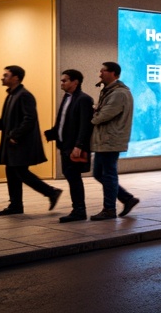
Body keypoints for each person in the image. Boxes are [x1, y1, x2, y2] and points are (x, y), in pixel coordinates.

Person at [0, 65, 61, 216]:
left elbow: (29, 119)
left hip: (19, 142)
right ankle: (16, 205)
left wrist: (15, 135)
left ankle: (51, 192)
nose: (2, 77)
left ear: (16, 78)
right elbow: (8, 120)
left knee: (20, 172)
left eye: (6, 75)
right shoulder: (12, 95)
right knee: (12, 172)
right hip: (13, 142)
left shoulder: (24, 95)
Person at [90, 62, 139, 219]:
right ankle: (127, 199)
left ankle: (109, 209)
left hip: (111, 139)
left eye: (103, 71)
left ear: (113, 73)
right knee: (99, 173)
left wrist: (93, 115)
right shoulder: (110, 91)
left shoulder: (118, 93)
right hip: (104, 139)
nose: (100, 74)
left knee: (108, 173)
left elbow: (104, 115)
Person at [45, 69, 93, 222]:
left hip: (74, 148)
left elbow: (85, 125)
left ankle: (79, 210)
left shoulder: (84, 99)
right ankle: (78, 209)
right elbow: (63, 121)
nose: (61, 83)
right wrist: (53, 133)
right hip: (64, 146)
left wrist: (79, 146)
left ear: (75, 82)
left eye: (64, 80)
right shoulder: (67, 97)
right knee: (71, 176)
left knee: (74, 177)